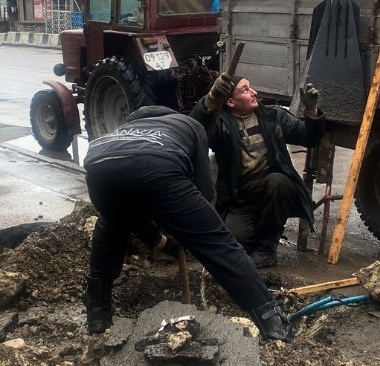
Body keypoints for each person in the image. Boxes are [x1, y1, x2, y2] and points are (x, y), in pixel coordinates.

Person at [83, 105, 293, 341]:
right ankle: (272, 321)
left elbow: (130, 217)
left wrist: (163, 242)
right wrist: (194, 228)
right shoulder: (191, 125)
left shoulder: (124, 129)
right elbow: (203, 189)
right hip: (157, 166)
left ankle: (97, 313)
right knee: (219, 244)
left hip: (97, 168)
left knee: (111, 224)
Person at [189, 75, 324, 268]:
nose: (254, 92)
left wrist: (311, 110)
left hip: (272, 194)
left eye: (250, 87)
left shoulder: (273, 116)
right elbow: (194, 131)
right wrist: (210, 99)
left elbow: (309, 138)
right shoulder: (221, 124)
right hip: (240, 201)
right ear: (230, 102)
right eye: (245, 90)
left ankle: (267, 249)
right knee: (232, 246)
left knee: (279, 182)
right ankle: (257, 232)